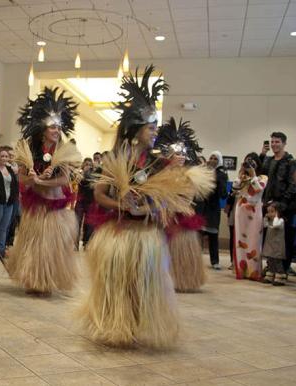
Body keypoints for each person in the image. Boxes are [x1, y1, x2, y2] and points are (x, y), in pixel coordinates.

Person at [79, 66, 210, 348]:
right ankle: (117, 324)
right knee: (117, 284)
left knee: (144, 284)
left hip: (147, 235)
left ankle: (136, 323)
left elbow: (168, 198)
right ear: (137, 129)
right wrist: (121, 204)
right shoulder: (115, 159)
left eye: (155, 127)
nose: (155, 132)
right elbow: (99, 195)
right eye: (151, 127)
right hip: (119, 234)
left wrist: (149, 207)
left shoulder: (157, 163)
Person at [8, 87, 82, 296]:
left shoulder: (63, 151)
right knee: (34, 248)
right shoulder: (29, 152)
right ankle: (34, 279)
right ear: (42, 130)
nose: (57, 131)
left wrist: (43, 182)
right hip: (36, 209)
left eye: (59, 127)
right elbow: (21, 177)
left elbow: (65, 179)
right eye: (52, 127)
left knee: (50, 249)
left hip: (55, 211)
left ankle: (47, 280)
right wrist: (31, 180)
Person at [155, 117, 213, 293]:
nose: (180, 157)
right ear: (169, 155)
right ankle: (164, 278)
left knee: (182, 248)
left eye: (182, 154)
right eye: (176, 154)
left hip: (182, 216)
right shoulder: (160, 173)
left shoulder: (190, 175)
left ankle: (183, 278)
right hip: (164, 217)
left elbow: (189, 196)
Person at [259, 132, 296, 276]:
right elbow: (261, 178)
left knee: (284, 239)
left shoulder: (290, 161)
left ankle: (283, 268)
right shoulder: (268, 161)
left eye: (277, 141)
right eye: (272, 141)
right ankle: (271, 266)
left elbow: (293, 185)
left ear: (284, 143)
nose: (274, 144)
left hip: (285, 207)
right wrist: (262, 155)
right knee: (269, 238)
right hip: (268, 205)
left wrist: (281, 204)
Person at [231, 152, 267, 281]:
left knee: (254, 240)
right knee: (240, 241)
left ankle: (253, 271)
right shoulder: (243, 177)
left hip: (255, 210)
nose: (250, 165)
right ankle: (241, 270)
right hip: (241, 210)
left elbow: (258, 188)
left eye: (252, 162)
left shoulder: (263, 177)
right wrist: (240, 174)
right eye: (247, 162)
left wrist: (253, 174)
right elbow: (235, 188)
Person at [197, 150, 229, 270]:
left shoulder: (221, 174)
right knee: (197, 235)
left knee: (213, 236)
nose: (213, 160)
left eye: (216, 158)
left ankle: (215, 261)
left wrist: (215, 177)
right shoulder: (203, 172)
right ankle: (196, 258)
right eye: (211, 157)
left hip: (212, 209)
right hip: (200, 208)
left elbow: (223, 194)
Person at [262, 201, 287, 285]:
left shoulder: (280, 220)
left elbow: (276, 225)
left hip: (278, 245)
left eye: (272, 211)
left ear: (278, 212)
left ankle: (280, 276)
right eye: (268, 212)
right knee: (270, 260)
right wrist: (265, 218)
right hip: (270, 244)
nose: (270, 214)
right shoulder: (269, 221)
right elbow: (264, 225)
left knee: (277, 261)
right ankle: (270, 274)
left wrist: (276, 216)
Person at [75, 157, 95, 249]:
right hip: (80, 201)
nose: (88, 166)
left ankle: (86, 243)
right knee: (77, 222)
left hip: (90, 202)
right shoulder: (79, 173)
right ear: (83, 165)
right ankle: (75, 243)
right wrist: (83, 173)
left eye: (90, 165)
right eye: (86, 164)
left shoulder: (95, 175)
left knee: (89, 223)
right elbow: (77, 181)